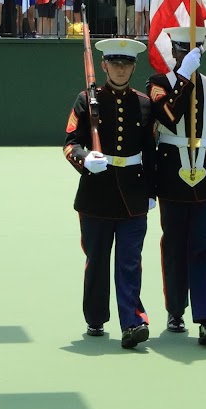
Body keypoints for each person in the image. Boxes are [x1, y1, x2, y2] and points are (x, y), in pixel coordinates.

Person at [64, 38, 156, 349]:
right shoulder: (86, 100)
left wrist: (152, 191)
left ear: (133, 67)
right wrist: (84, 159)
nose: (120, 68)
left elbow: (151, 151)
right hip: (96, 193)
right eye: (115, 62)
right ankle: (95, 317)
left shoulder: (144, 103)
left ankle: (132, 322)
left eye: (126, 63)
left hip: (133, 191)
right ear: (103, 65)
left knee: (130, 261)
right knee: (98, 260)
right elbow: (69, 143)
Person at [147, 26, 206, 345]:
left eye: (191, 52)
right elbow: (168, 117)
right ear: (174, 53)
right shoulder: (158, 84)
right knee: (174, 247)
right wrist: (182, 76)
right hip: (171, 176)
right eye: (181, 52)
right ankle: (175, 309)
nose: (185, 56)